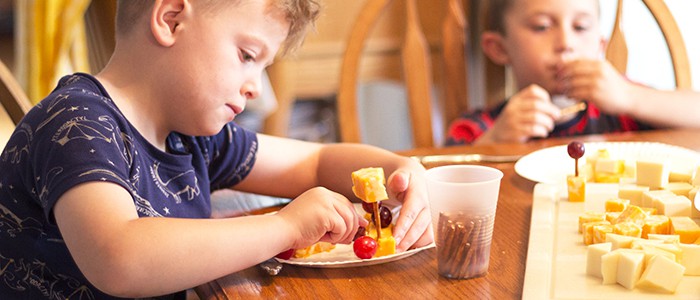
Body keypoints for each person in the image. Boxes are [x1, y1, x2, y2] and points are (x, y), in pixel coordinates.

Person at [0, 0, 433, 298]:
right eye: (247, 55)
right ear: (170, 19)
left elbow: (314, 160)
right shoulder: (77, 123)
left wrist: (400, 169)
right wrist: (284, 227)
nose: (256, 88)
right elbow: (120, 256)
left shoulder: (190, 137)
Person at [446, 0, 700, 145]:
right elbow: (443, 181)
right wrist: (494, 142)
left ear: (600, 45)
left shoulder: (622, 109)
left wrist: (631, 97)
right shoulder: (482, 126)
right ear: (499, 48)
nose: (566, 42)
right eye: (542, 26)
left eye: (580, 26)